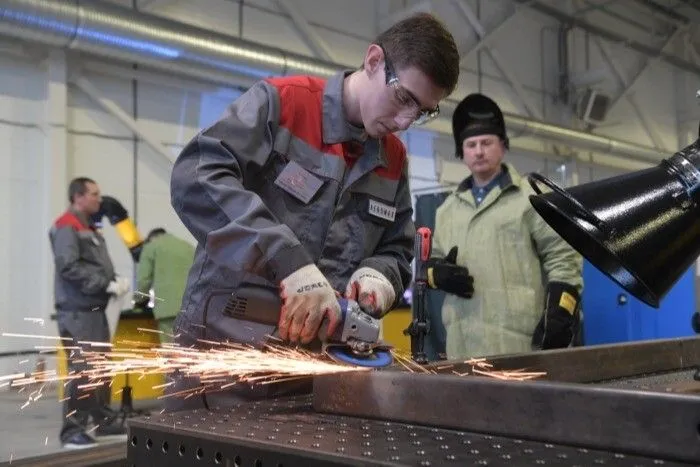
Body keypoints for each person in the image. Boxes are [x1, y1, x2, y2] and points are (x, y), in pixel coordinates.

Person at [168, 13, 460, 406]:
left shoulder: (393, 158)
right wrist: (286, 261)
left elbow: (397, 247)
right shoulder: (282, 104)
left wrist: (380, 275)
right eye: (404, 98)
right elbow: (196, 177)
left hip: (315, 368)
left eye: (423, 110)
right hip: (221, 360)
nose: (407, 120)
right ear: (373, 60)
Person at [427, 93, 583, 359]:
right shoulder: (446, 211)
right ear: (461, 153)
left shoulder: (531, 198)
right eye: (471, 144)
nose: (478, 151)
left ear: (503, 146)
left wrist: (561, 310)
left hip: (519, 344)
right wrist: (435, 274)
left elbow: (563, 259)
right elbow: (432, 261)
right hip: (461, 347)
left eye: (486, 142)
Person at [49, 177, 130, 449]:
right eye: (94, 194)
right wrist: (103, 283)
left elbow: (94, 265)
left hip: (95, 309)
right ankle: (72, 431)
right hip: (78, 312)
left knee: (101, 369)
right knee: (84, 371)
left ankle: (104, 423)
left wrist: (115, 279)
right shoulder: (66, 227)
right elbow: (68, 267)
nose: (99, 199)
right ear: (78, 197)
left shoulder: (89, 227)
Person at [135, 228, 195, 340]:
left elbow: (144, 280)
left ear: (150, 239)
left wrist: (138, 301)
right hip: (191, 309)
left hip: (167, 310)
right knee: (188, 349)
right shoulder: (188, 246)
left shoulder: (151, 246)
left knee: (170, 351)